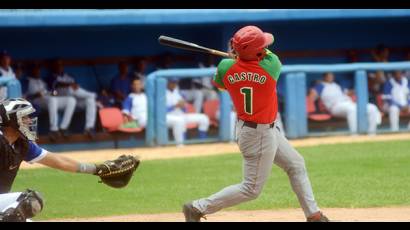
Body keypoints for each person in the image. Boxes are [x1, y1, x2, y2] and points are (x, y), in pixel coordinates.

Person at [182, 25, 329, 222]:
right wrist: (243, 58)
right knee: (251, 189)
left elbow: (222, 86)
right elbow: (263, 53)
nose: (264, 47)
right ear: (256, 51)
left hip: (253, 129)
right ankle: (198, 207)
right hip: (259, 135)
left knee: (296, 164)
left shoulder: (225, 67)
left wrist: (238, 60)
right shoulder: (272, 65)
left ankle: (314, 216)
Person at [0, 98, 132, 221]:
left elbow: (58, 161)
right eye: (24, 117)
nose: (29, 121)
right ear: (10, 119)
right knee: (29, 200)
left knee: (23, 215)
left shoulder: (21, 145)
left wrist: (97, 169)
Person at [313, 72, 382, 135]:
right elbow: (311, 97)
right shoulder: (320, 86)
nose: (331, 77)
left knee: (372, 107)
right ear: (324, 77)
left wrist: (355, 90)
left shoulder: (336, 85)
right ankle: (354, 134)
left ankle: (372, 133)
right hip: (335, 107)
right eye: (329, 76)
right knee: (352, 109)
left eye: (332, 75)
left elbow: (347, 92)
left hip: (348, 103)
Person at [47, 59, 97, 138]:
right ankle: (93, 95)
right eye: (57, 65)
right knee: (71, 93)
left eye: (60, 65)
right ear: (53, 67)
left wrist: (72, 85)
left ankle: (89, 128)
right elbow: (56, 84)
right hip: (60, 100)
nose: (59, 67)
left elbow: (76, 86)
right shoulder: (51, 76)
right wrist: (69, 85)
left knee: (90, 100)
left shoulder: (69, 76)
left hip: (75, 99)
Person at [26, 64, 77, 141]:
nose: (37, 71)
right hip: (36, 101)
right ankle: (54, 129)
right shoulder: (27, 80)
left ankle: (63, 128)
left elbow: (49, 91)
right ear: (31, 71)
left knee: (71, 100)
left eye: (38, 69)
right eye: (35, 69)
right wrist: (35, 95)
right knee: (52, 100)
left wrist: (52, 93)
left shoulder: (42, 81)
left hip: (48, 99)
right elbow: (25, 96)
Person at [167, 78, 210, 146]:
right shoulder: (162, 93)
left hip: (181, 115)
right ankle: (181, 146)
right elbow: (162, 111)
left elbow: (185, 110)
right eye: (172, 83)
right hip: (170, 116)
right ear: (168, 83)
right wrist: (175, 106)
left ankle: (203, 143)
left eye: (175, 83)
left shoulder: (178, 92)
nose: (174, 84)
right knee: (180, 121)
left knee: (204, 118)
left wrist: (183, 106)